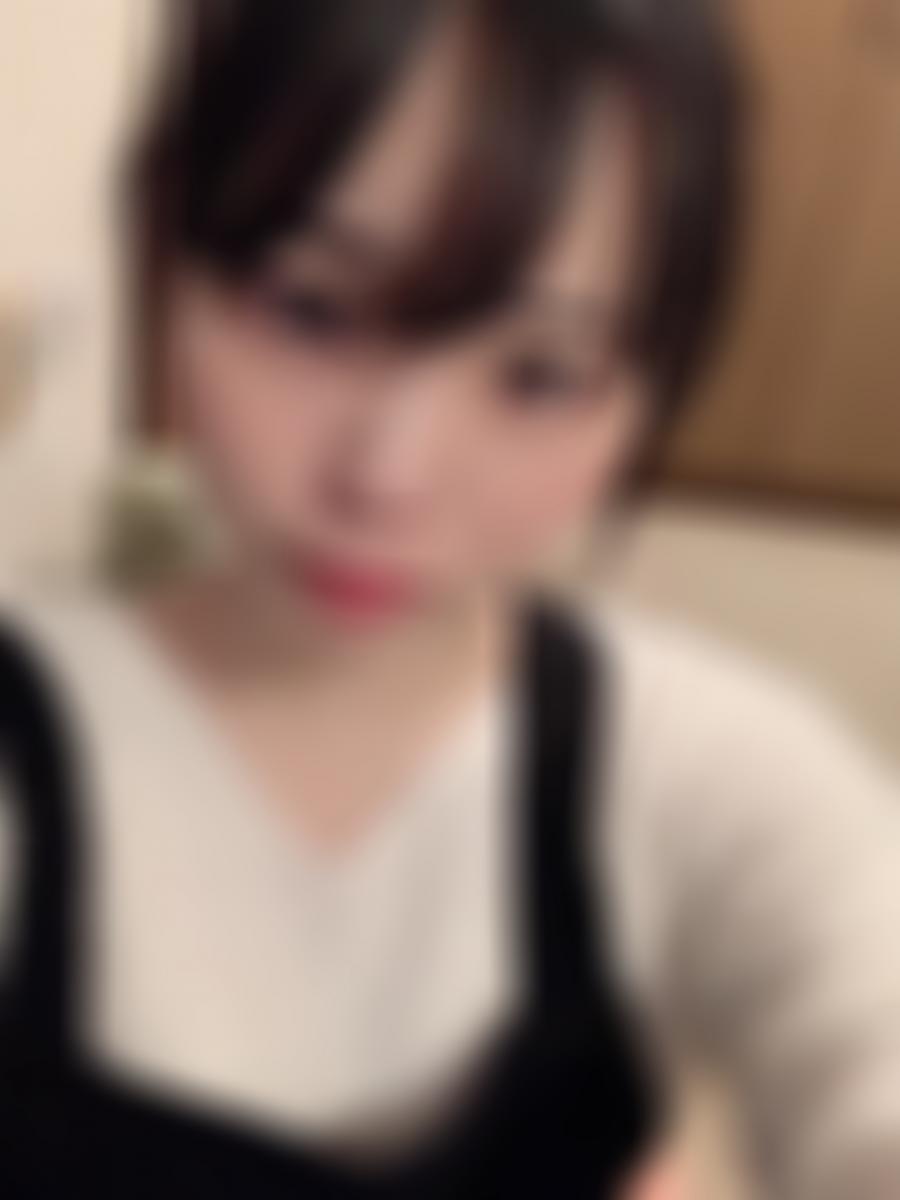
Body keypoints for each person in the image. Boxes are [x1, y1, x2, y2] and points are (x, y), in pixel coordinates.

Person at [1, 2, 898, 1197]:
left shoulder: (707, 770)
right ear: (166, 254)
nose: (388, 477)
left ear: (647, 391)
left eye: (539, 374)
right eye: (312, 309)